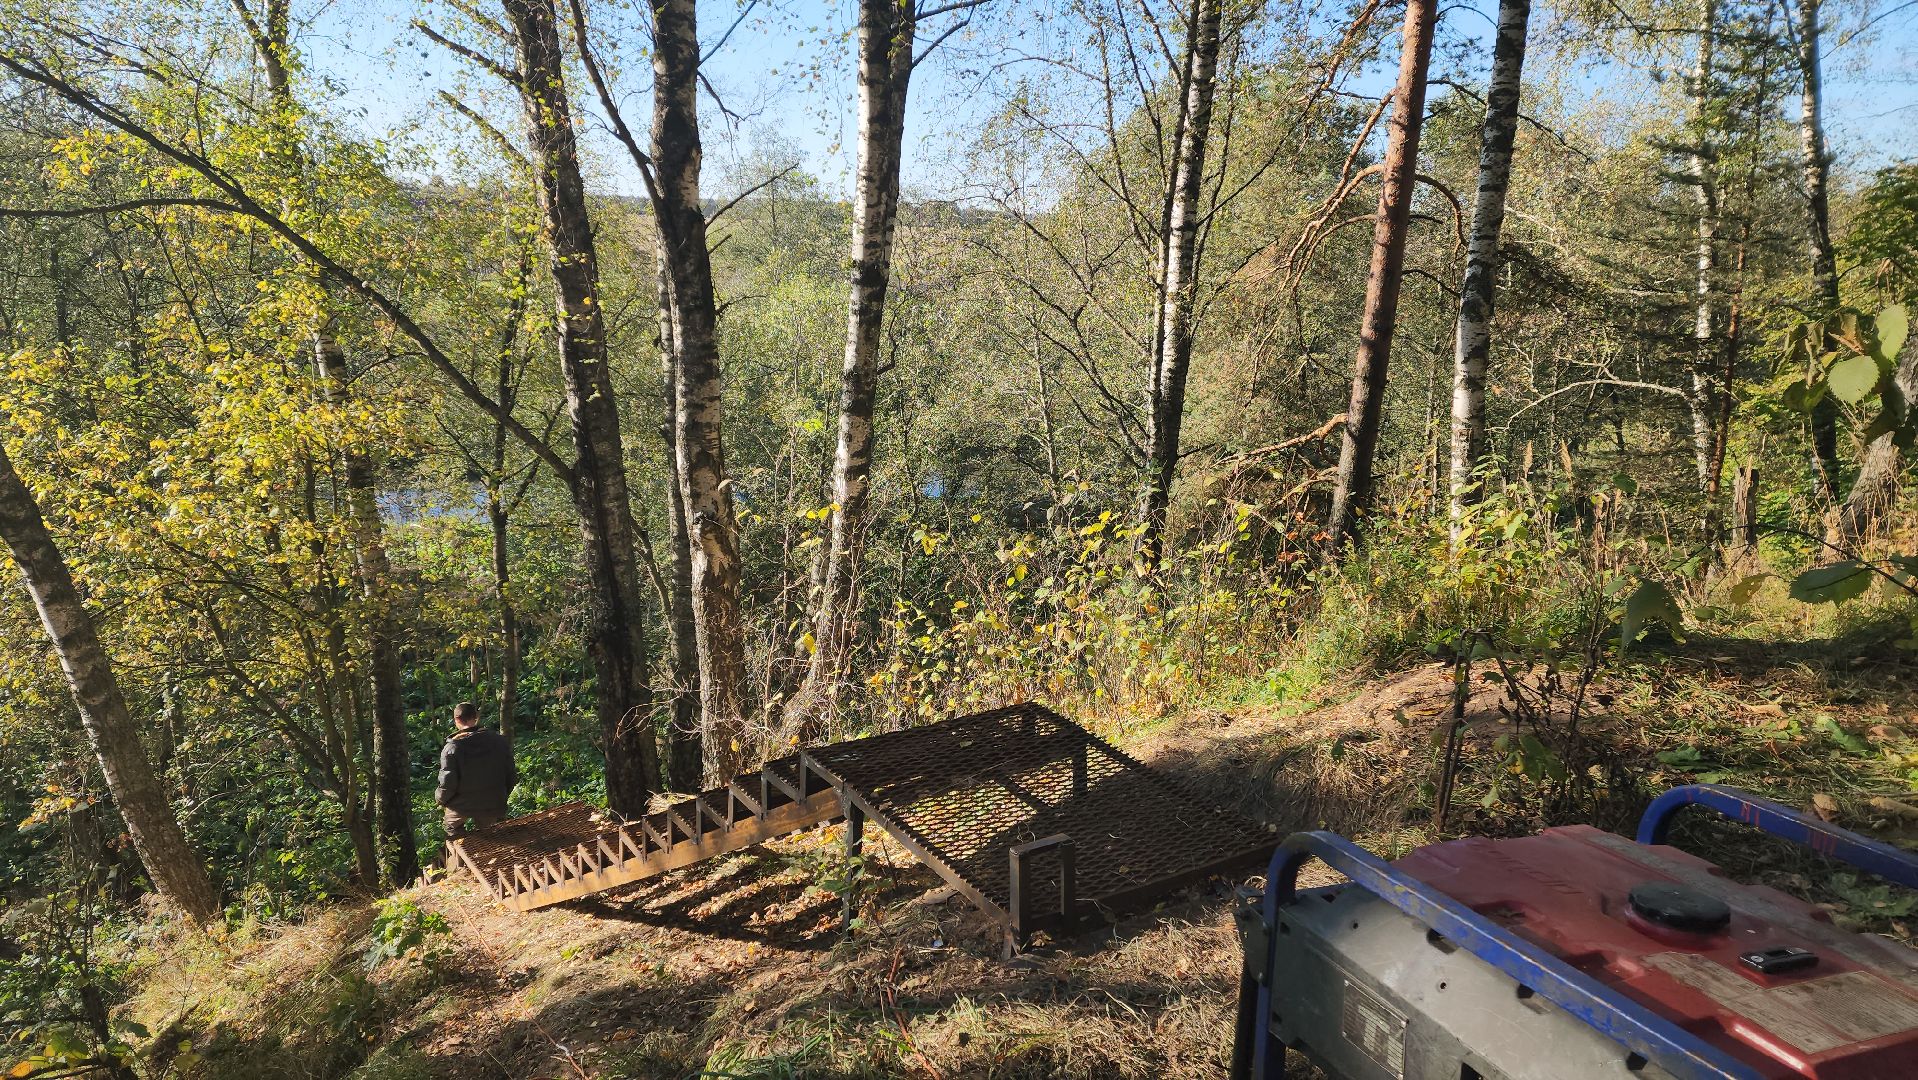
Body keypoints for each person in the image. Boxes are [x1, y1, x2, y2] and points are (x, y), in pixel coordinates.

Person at [436, 701, 516, 837]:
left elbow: (448, 784)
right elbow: (511, 774)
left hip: (461, 805)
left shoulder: (452, 748)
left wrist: (440, 799)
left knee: (452, 828)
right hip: (493, 800)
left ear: (456, 720)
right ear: (476, 717)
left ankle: (459, 852)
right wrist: (501, 795)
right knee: (490, 833)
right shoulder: (498, 741)